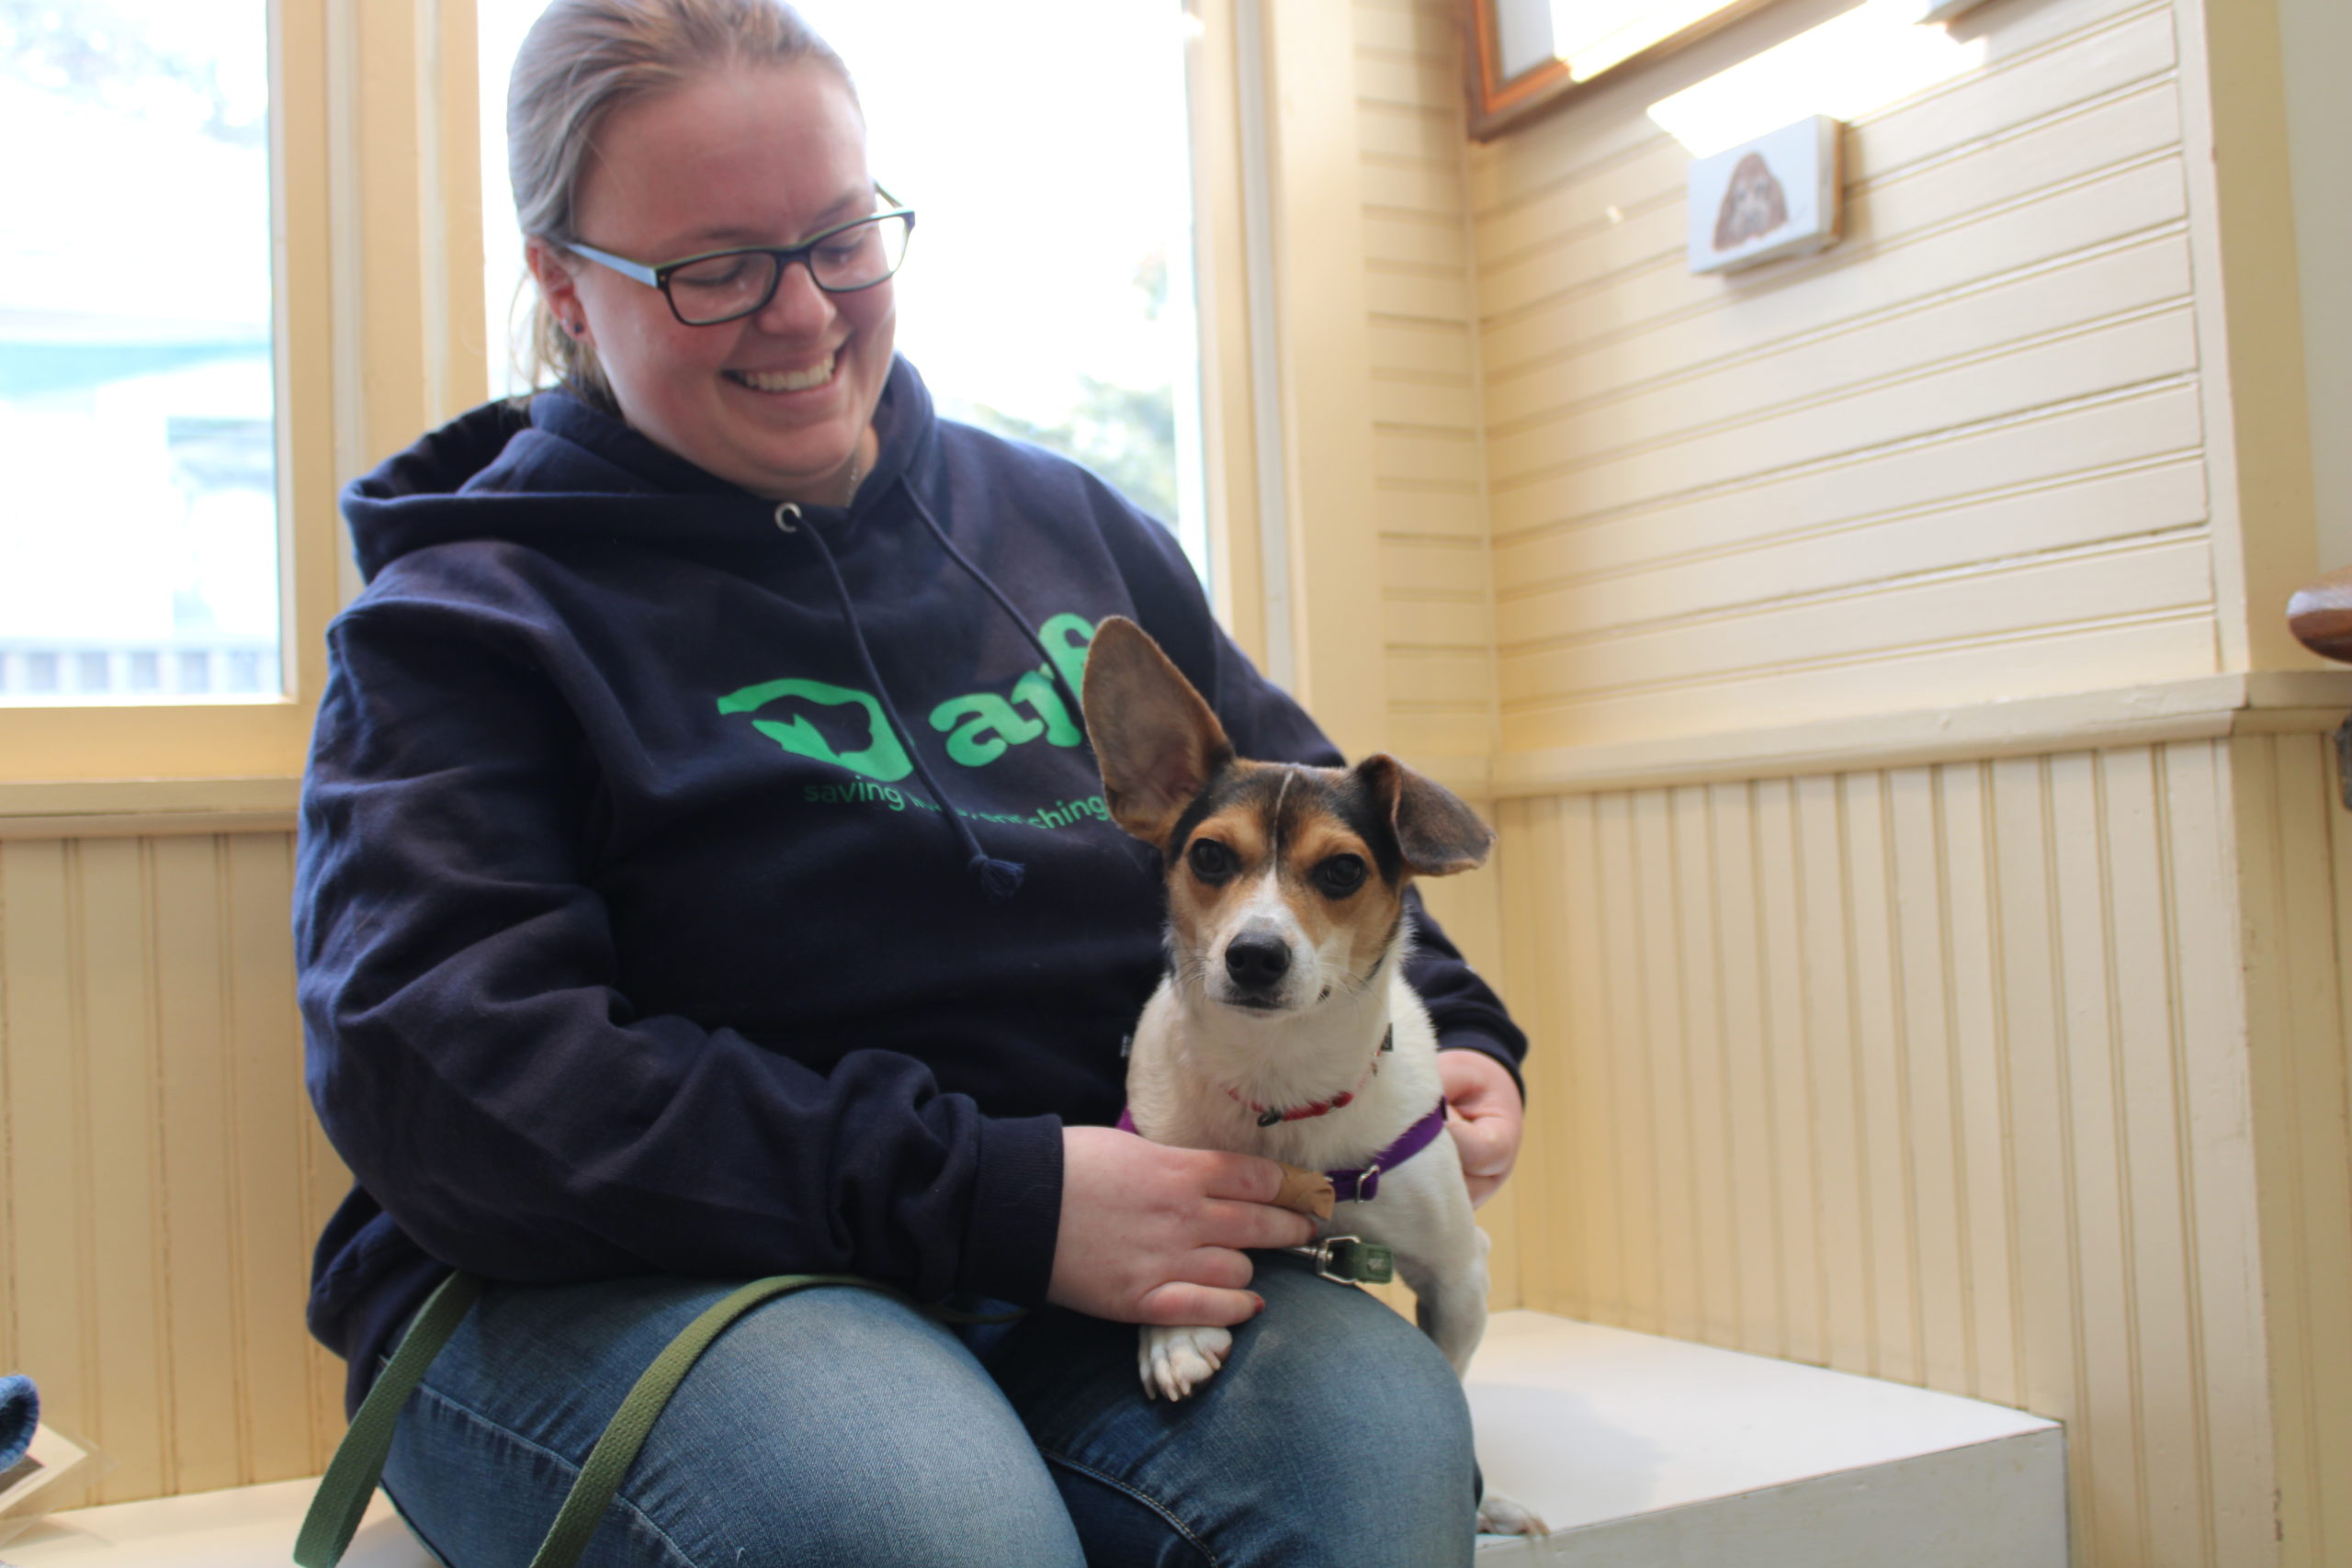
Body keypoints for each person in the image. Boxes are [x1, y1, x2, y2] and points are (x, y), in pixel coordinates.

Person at [296, 2, 1529, 1563]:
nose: (804, 314)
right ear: (559, 279)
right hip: (615, 1286)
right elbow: (448, 1076)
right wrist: (998, 1198)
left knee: (1367, 1456)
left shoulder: (1069, 531)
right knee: (920, 1525)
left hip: (1089, 1271)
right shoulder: (463, 620)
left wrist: (1469, 1045)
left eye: (841, 238)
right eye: (715, 266)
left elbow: (1306, 820)